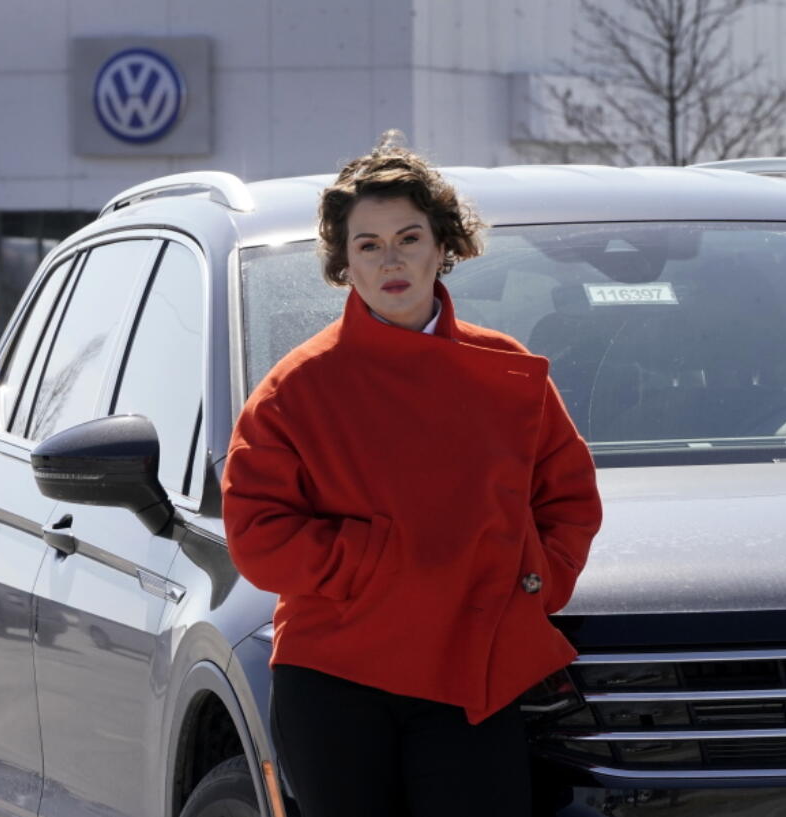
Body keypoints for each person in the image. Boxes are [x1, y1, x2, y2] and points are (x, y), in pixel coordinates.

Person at [221, 132, 602, 817]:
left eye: (408, 237)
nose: (390, 259)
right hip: (336, 676)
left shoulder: (507, 372)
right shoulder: (295, 390)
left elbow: (569, 498)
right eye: (367, 244)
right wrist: (373, 563)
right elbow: (256, 532)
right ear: (344, 261)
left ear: (442, 245)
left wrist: (531, 577)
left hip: (472, 669)